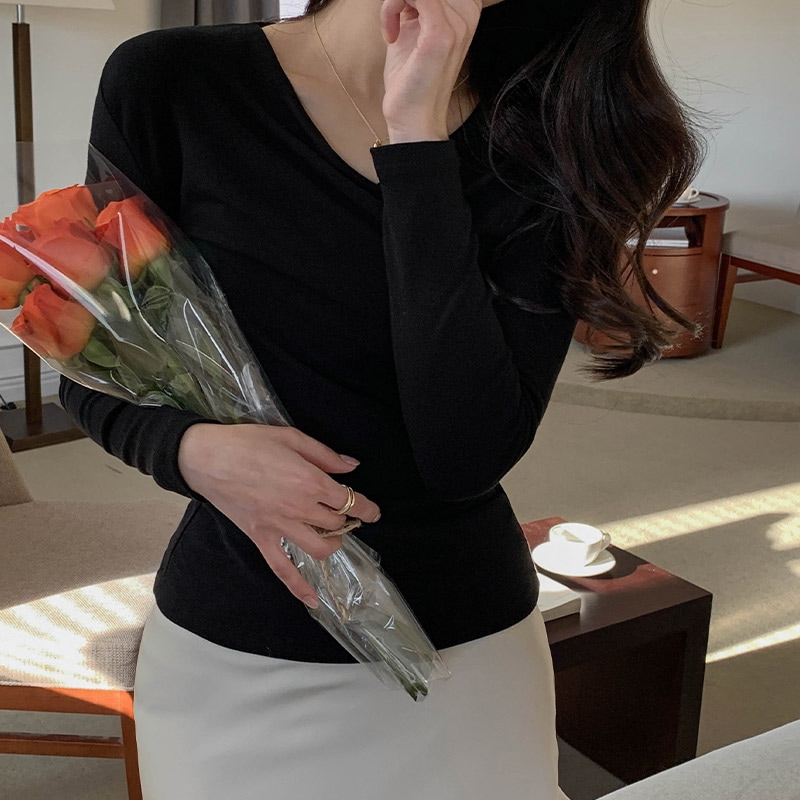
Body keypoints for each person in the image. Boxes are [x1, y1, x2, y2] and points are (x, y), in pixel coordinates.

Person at [61, 0, 703, 797]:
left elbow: (463, 453)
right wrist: (191, 452)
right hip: (234, 653)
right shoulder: (172, 81)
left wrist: (416, 144)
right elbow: (93, 366)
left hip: (464, 657)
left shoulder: (549, 125)